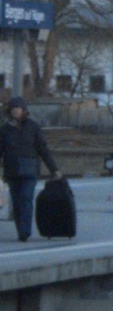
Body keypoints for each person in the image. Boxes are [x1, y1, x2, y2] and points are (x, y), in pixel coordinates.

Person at [0, 97, 62, 242]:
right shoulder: (4, 130)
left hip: (30, 170)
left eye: (18, 108)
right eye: (13, 108)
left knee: (26, 198)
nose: (15, 111)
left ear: (24, 110)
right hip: (12, 170)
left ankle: (25, 231)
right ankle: (20, 229)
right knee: (16, 202)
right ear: (9, 111)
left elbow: (43, 149)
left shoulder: (33, 127)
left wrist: (54, 169)